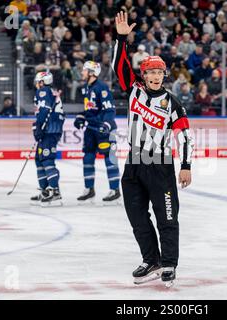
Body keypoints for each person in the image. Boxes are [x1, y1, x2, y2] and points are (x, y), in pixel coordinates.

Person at [112, 12, 194, 286]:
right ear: (144, 75)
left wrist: (185, 166)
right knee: (136, 216)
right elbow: (119, 66)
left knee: (167, 216)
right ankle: (152, 260)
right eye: (151, 72)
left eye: (160, 72)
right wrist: (122, 38)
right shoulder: (133, 89)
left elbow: (184, 136)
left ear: (164, 75)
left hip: (160, 165)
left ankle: (169, 264)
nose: (156, 76)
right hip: (134, 162)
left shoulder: (172, 103)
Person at [73, 61, 121, 203]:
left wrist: (106, 124)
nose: (82, 72)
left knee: (109, 158)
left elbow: (110, 110)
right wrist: (82, 116)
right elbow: (90, 109)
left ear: (92, 73)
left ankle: (115, 190)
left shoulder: (102, 88)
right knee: (87, 157)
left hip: (104, 129)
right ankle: (89, 189)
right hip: (91, 128)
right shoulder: (87, 88)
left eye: (84, 70)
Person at [30, 71, 65, 206]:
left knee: (46, 158)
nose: (37, 84)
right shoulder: (50, 91)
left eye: (38, 81)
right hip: (50, 129)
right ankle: (45, 191)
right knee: (39, 159)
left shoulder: (43, 91)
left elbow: (44, 111)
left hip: (50, 130)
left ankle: (55, 192)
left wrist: (39, 127)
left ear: (43, 82)